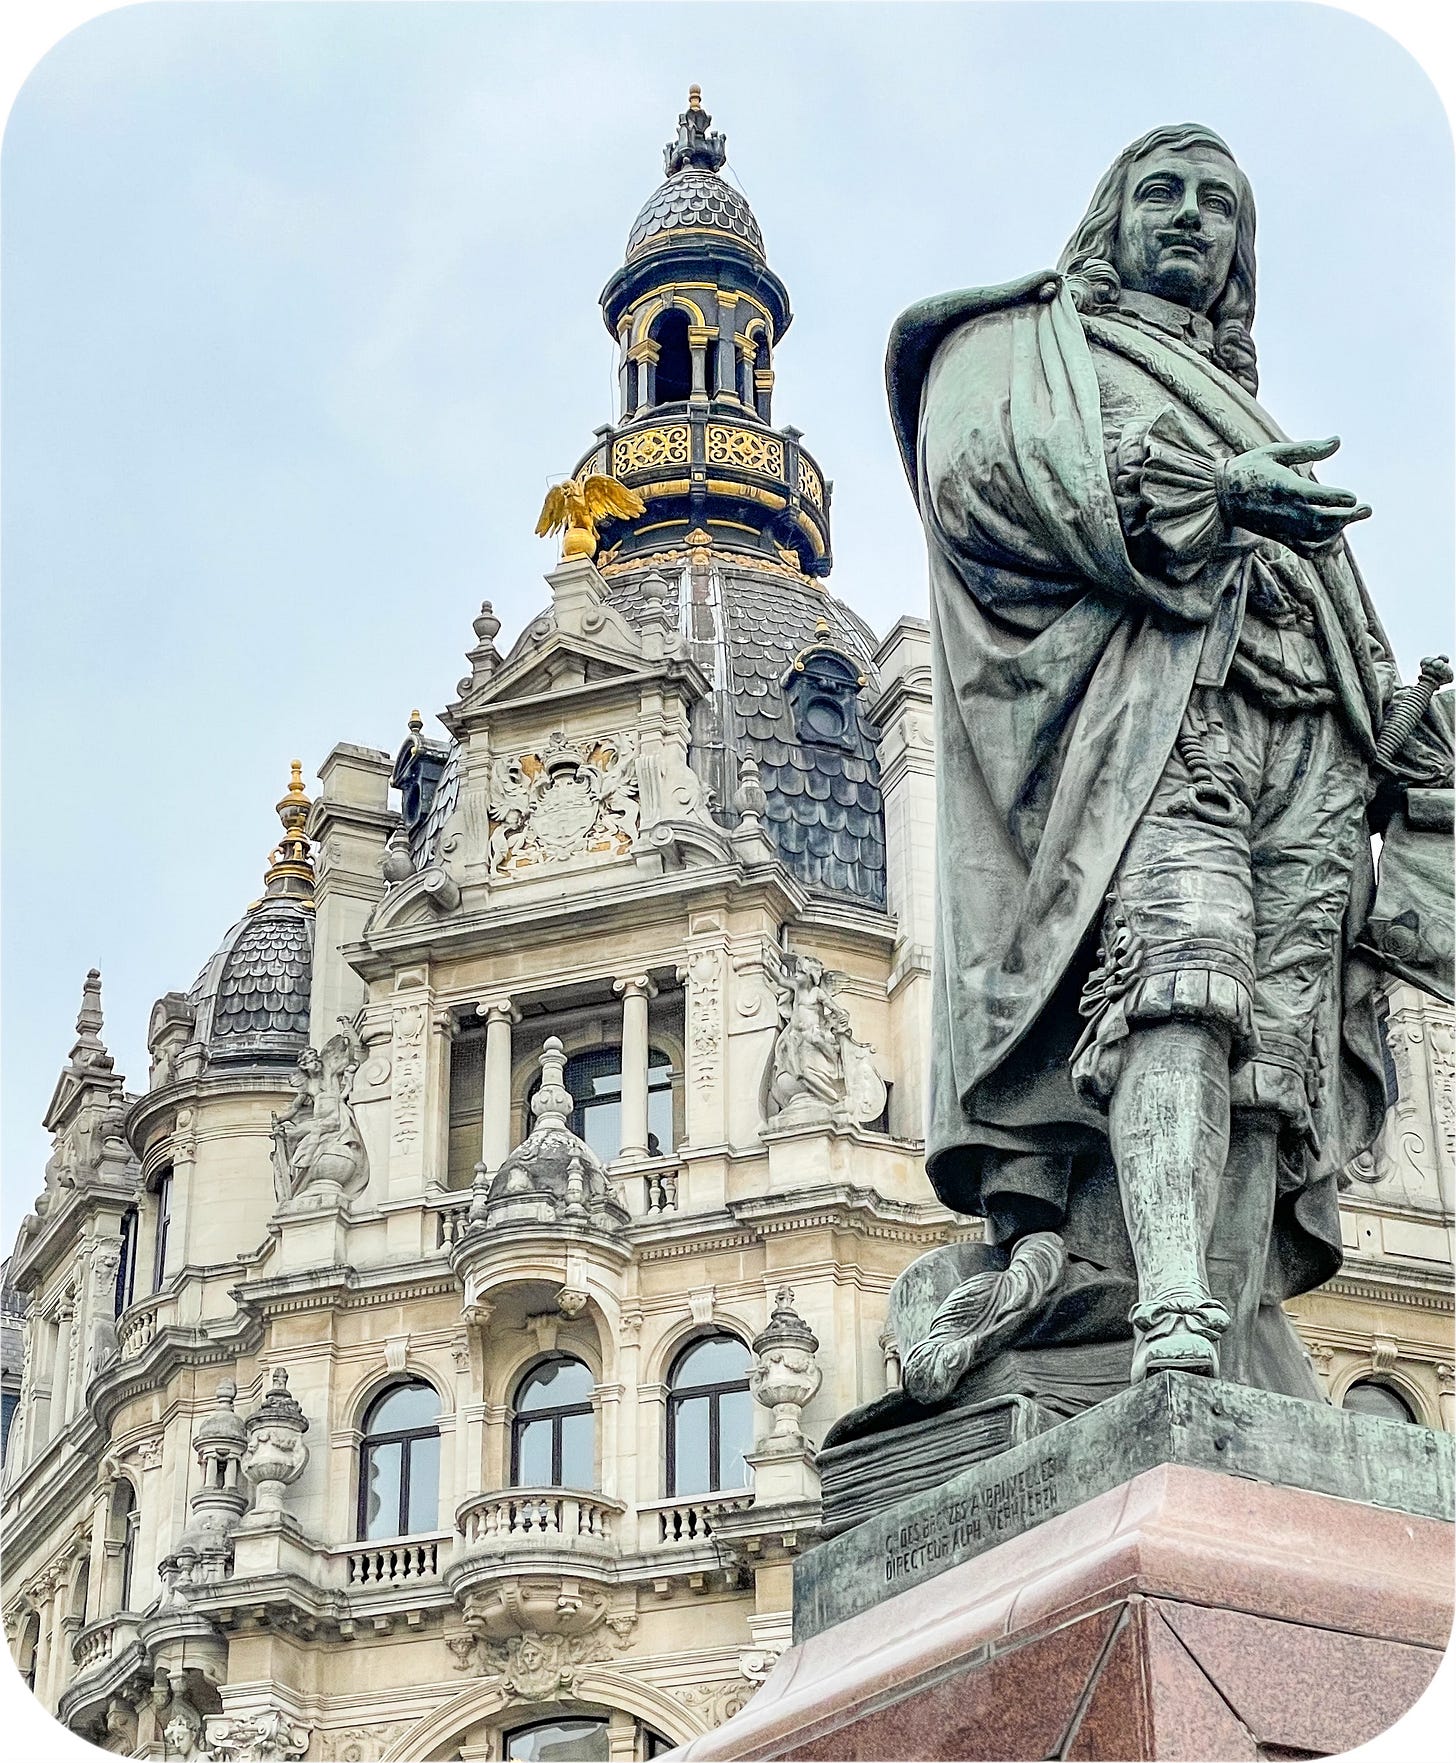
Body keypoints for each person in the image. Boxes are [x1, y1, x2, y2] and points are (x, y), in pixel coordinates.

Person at [886, 124, 1450, 1400]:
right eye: (1163, 192)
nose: (1192, 218)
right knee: (1178, 987)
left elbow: (1318, 593)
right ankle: (1173, 1310)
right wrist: (1201, 503)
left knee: (1279, 1053)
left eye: (1219, 203)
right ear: (1109, 217)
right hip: (1162, 732)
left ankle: (1234, 1311)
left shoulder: (1243, 396)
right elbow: (979, 480)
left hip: (1306, 741)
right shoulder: (1030, 345)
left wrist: (1394, 718)